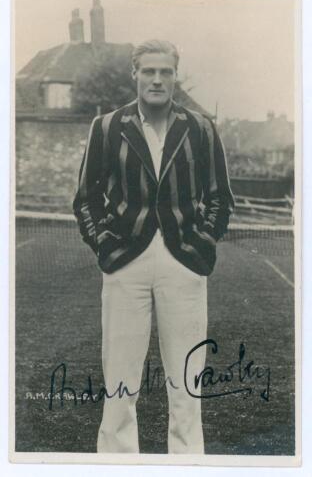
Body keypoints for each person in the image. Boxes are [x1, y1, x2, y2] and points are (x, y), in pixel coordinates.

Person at [73, 39, 234, 454]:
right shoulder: (108, 126)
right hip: (126, 263)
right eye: (149, 71)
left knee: (186, 385)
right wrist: (106, 249)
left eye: (165, 71)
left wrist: (200, 247)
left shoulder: (200, 128)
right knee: (120, 385)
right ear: (135, 74)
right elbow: (86, 199)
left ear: (176, 75)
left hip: (183, 263)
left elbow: (220, 197)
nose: (157, 79)